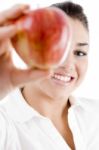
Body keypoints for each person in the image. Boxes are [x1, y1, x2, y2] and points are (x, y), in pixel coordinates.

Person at [0, 1, 99, 150]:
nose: (68, 65)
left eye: (80, 53)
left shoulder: (95, 114)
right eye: (60, 47)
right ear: (26, 47)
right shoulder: (6, 125)